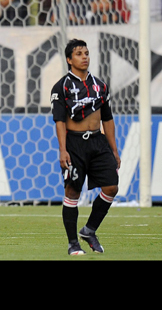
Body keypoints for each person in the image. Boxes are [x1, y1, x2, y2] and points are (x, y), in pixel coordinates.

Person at [50, 38, 121, 255]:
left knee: (111, 187)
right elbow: (59, 121)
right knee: (72, 192)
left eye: (87, 53)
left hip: (98, 142)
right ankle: (73, 243)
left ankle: (89, 230)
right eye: (79, 54)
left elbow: (107, 118)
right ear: (69, 59)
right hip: (74, 143)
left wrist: (114, 149)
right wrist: (63, 150)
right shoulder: (61, 87)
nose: (84, 57)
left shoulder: (100, 85)